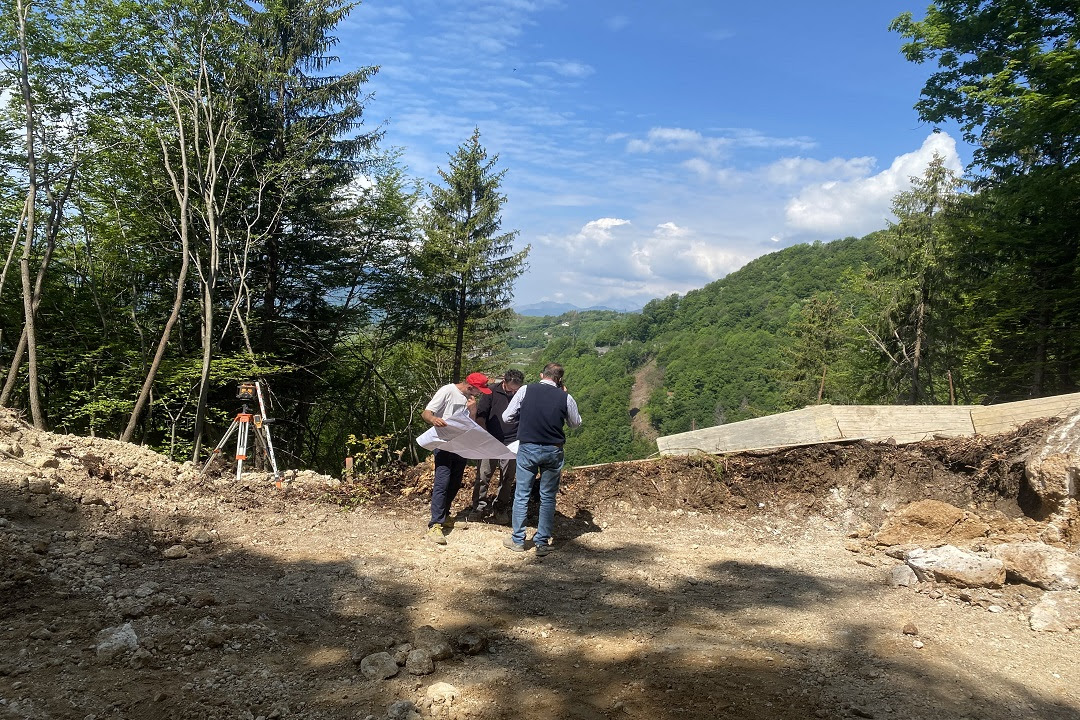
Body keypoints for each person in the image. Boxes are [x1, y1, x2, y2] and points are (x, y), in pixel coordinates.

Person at [500, 362, 582, 556]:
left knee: (522, 494)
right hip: (553, 450)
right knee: (547, 497)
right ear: (559, 380)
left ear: (541, 374)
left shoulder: (525, 390)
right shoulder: (565, 397)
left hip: (528, 447)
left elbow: (506, 417)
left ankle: (518, 540)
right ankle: (542, 542)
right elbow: (575, 423)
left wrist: (526, 417)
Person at [421, 372, 492, 545]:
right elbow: (426, 413)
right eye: (477, 390)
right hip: (444, 444)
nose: (478, 393)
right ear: (469, 387)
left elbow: (470, 424)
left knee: (455, 482)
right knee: (442, 482)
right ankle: (435, 524)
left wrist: (473, 411)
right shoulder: (447, 391)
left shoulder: (470, 400)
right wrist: (434, 420)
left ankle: (444, 516)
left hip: (461, 445)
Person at [471, 369, 525, 522]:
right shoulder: (491, 392)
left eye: (516, 389)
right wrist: (485, 435)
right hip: (491, 440)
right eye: (510, 389)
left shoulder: (522, 394)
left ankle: (500, 507)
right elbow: (481, 415)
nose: (513, 392)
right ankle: (478, 507)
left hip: (513, 441)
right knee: (483, 475)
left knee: (507, 477)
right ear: (504, 383)